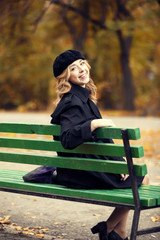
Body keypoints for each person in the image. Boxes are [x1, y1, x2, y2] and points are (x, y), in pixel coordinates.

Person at [50, 50, 149, 240]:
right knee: (141, 179)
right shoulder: (73, 101)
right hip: (80, 173)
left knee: (136, 177)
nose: (80, 69)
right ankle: (110, 227)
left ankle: (118, 231)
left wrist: (118, 163)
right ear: (65, 77)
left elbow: (104, 142)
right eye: (73, 68)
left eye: (81, 63)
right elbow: (68, 139)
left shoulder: (81, 98)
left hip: (81, 169)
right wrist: (93, 124)